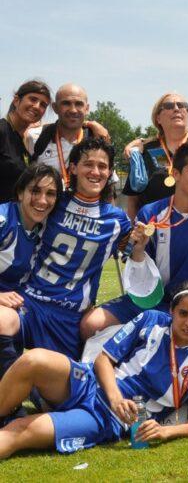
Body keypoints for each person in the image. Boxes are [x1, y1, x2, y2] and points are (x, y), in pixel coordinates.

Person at [0, 282, 188, 458]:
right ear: (171, 311)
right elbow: (103, 359)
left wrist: (164, 431)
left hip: (106, 419)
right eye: (183, 313)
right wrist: (115, 398)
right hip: (88, 382)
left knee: (20, 429)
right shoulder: (151, 319)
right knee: (33, 360)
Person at [82, 141, 188, 340]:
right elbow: (137, 267)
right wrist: (138, 249)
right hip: (152, 301)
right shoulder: (150, 213)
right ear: (175, 174)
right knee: (90, 325)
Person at [0, 138, 131, 373]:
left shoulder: (118, 221)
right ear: (72, 168)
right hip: (30, 303)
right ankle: (8, 399)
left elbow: (132, 255)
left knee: (58, 400)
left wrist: (140, 243)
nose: (95, 171)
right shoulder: (54, 202)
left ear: (110, 172)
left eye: (102, 166)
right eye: (88, 164)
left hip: (69, 317)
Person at [121, 92, 188, 220]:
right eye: (168, 106)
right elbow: (133, 201)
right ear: (158, 118)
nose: (176, 108)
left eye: (181, 105)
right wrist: (135, 231)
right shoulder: (143, 152)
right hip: (154, 232)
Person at [28, 84, 112, 189]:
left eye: (79, 104)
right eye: (66, 103)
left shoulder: (96, 139)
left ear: (87, 108)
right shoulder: (34, 137)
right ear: (55, 108)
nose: (73, 110)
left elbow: (108, 189)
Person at [0, 165, 62, 307]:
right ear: (20, 193)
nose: (42, 200)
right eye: (35, 191)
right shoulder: (3, 220)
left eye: (50, 193)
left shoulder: (47, 228)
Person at [0, 80, 51, 203]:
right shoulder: (2, 131)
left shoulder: (25, 140)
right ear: (16, 101)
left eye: (43, 105)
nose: (37, 106)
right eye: (33, 99)